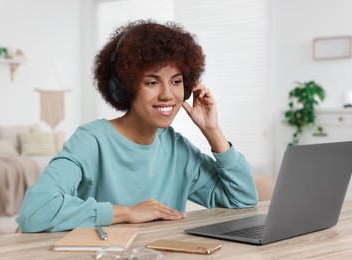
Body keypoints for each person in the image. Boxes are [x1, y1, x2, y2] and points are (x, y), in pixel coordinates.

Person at [16, 20, 258, 232]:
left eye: (176, 82)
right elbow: (35, 212)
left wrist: (212, 131)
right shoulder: (91, 141)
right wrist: (126, 213)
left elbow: (243, 200)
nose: (167, 95)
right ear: (124, 87)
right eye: (152, 82)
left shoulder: (178, 150)